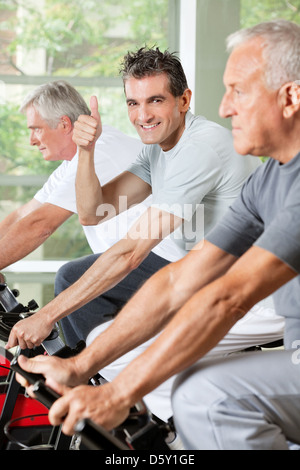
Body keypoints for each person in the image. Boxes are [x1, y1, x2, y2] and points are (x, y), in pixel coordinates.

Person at [14, 36, 296, 434]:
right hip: (196, 266)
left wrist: (49, 317)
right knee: (74, 279)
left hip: (249, 288)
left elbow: (131, 253)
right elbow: (93, 212)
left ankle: (157, 423)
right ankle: (116, 395)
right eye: (134, 103)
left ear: (183, 101)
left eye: (156, 101)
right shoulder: (158, 149)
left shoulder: (204, 147)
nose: (142, 114)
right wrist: (87, 152)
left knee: (129, 350)